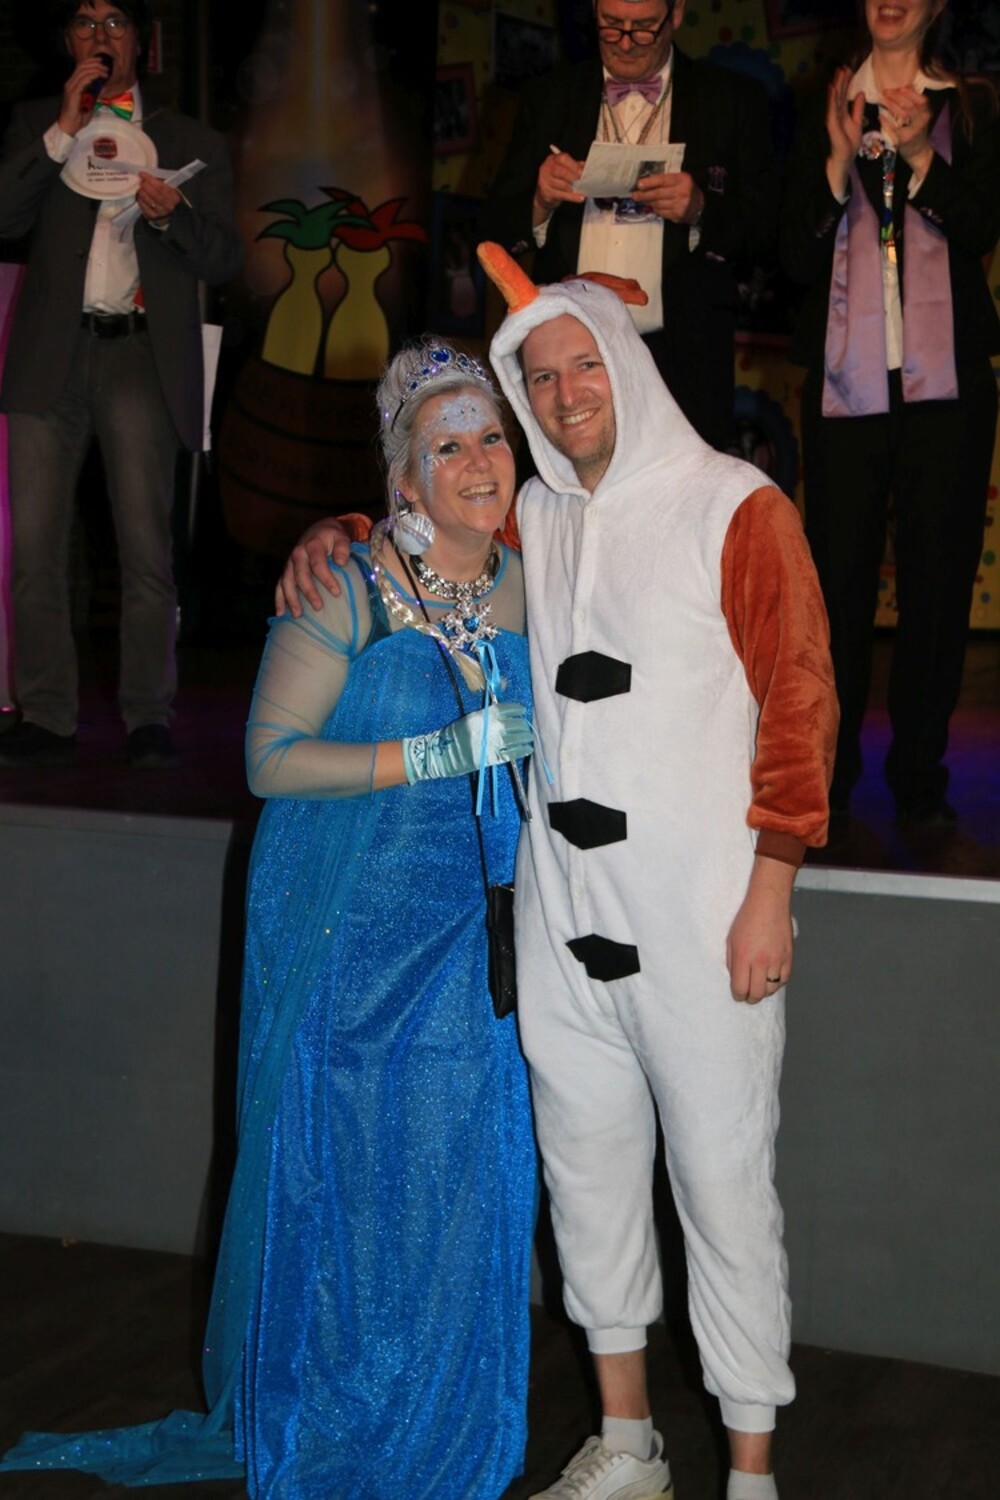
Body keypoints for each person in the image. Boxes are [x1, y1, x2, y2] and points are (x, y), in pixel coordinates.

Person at [276, 246, 838, 1500]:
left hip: (702, 922)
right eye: (540, 376)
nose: (566, 392)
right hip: (562, 922)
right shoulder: (536, 512)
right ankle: (628, 1445)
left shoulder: (736, 505)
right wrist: (339, 529)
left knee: (723, 1194)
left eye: (585, 365)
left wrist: (772, 890)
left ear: (627, 364)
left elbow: (800, 707)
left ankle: (751, 1473)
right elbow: (427, 527)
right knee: (587, 1181)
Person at [0, 340, 537, 1497]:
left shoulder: (536, 578)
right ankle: (338, 1406)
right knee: (350, 1171)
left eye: (491, 436)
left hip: (476, 932)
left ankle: (443, 1411)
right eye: (446, 445)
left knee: (459, 1171)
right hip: (350, 929)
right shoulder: (346, 584)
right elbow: (269, 761)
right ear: (404, 474)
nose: (476, 462)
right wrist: (434, 752)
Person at [0, 0, 241, 770]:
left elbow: (225, 258)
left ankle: (148, 716)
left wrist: (172, 218)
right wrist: (62, 131)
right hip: (51, 353)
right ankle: (46, 713)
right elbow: (5, 215)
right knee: (35, 549)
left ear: (143, 40)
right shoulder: (38, 122)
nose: (100, 36)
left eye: (115, 22)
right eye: (84, 22)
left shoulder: (191, 140)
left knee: (144, 547)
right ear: (68, 41)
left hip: (139, 353)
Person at [779, 0, 1000, 825]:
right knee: (836, 587)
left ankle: (918, 777)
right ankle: (829, 780)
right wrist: (838, 165)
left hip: (949, 391)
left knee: (938, 585)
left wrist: (919, 157)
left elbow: (981, 226)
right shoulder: (824, 100)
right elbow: (791, 255)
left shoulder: (974, 106)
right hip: (846, 390)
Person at [479, 0, 778, 451]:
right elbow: (492, 231)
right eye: (611, 25)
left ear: (676, 13)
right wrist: (539, 199)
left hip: (684, 361)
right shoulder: (549, 96)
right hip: (566, 361)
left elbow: (769, 238)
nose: (625, 43)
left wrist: (701, 211)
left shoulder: (732, 100)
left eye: (643, 28)